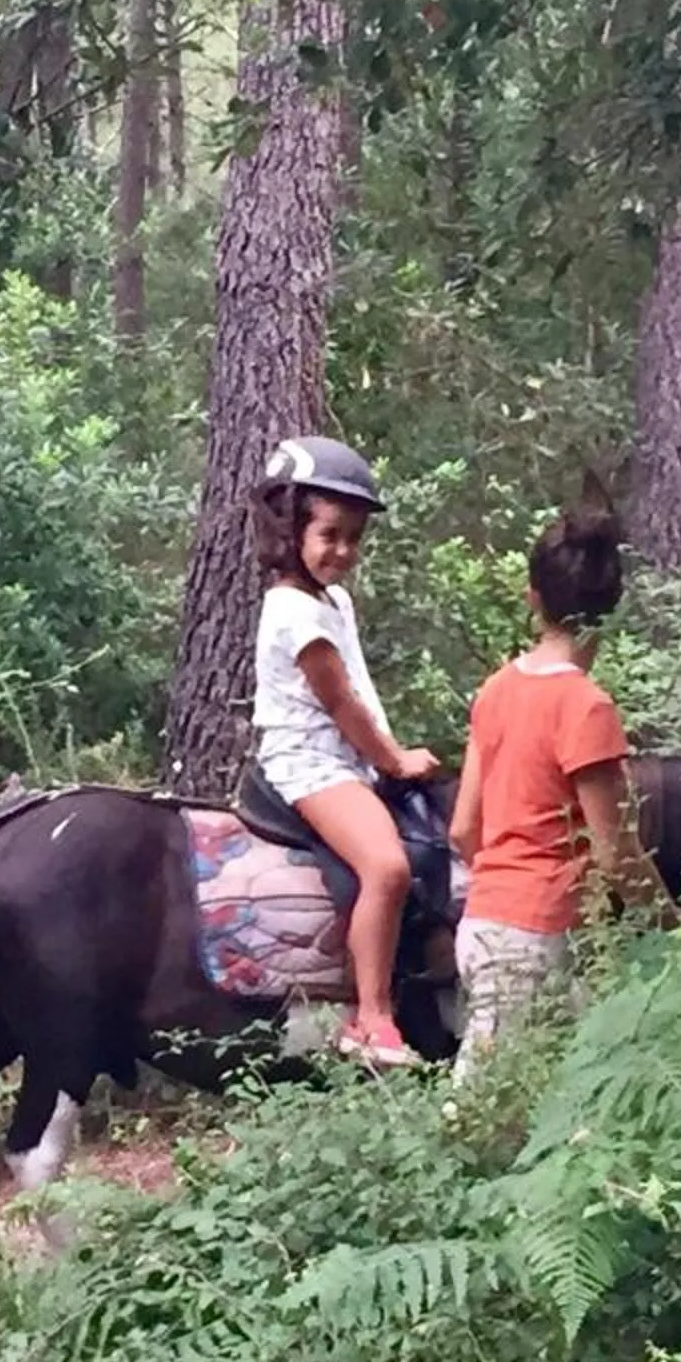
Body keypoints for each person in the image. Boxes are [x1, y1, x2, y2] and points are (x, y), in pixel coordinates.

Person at [446, 484, 673, 1077]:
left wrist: (500, 890)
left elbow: (464, 827)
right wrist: (676, 930)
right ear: (610, 610)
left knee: (568, 1088)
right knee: (477, 1109)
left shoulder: (496, 690)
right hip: (538, 933)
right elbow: (617, 851)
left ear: (532, 598)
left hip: (482, 924)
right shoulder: (586, 707)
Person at [249, 435, 440, 1069]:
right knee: (386, 868)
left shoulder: (334, 601)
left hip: (344, 761)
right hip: (311, 765)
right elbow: (341, 704)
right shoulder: (290, 612)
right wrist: (393, 760)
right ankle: (372, 1016)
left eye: (354, 537)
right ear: (290, 528)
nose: (343, 551)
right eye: (330, 534)